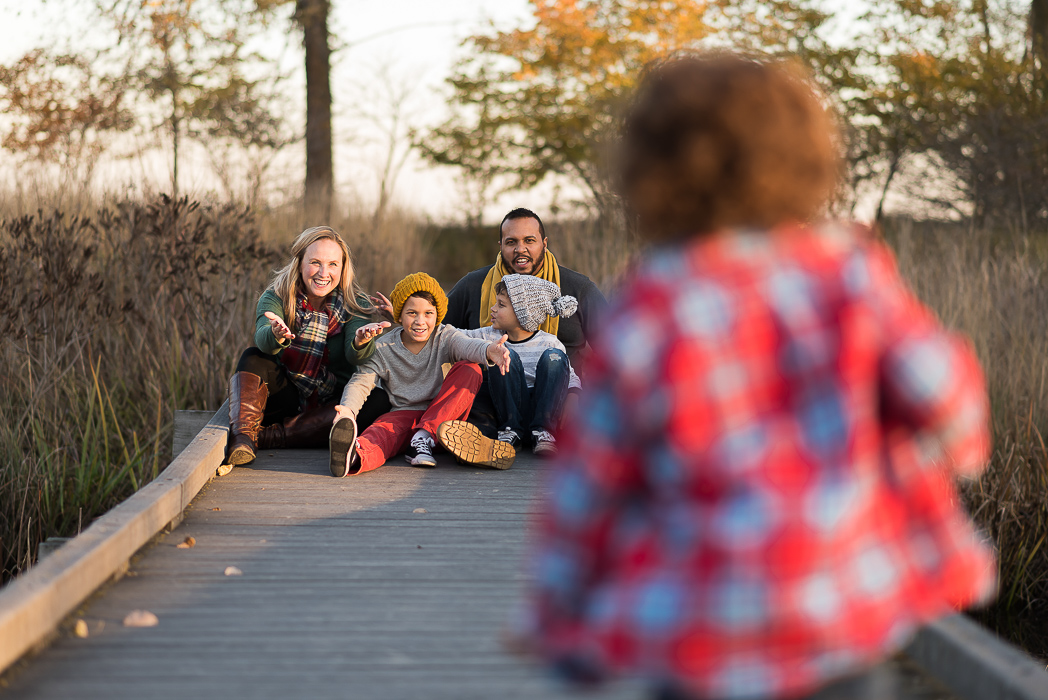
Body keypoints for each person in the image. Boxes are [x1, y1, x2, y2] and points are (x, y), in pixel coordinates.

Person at [513, 53, 996, 700]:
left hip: (696, 629)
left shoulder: (651, 306)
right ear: (804, 159)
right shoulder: (849, 277)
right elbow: (949, 407)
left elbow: (589, 478)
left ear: (650, 174)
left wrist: (559, 614)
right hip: (840, 611)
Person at [223, 226, 391, 471]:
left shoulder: (356, 303)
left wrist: (360, 341)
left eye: (333, 264)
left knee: (378, 401)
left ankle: (266, 437)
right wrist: (275, 333)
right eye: (315, 262)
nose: (324, 273)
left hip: (331, 402)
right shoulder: (276, 296)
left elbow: (354, 355)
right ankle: (243, 439)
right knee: (253, 357)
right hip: (286, 396)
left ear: (343, 268)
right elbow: (262, 340)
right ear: (300, 263)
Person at [329, 272, 511, 477]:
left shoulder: (444, 336)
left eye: (428, 313)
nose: (420, 321)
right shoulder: (383, 347)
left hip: (444, 421)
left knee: (471, 368)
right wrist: (347, 411)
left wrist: (488, 350)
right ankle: (353, 455)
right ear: (399, 315)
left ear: (437, 315)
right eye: (412, 313)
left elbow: (467, 345)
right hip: (404, 415)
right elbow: (361, 382)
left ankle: (425, 438)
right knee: (381, 431)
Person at [444, 208, 607, 436]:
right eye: (511, 242)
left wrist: (581, 396)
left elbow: (614, 347)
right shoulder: (473, 285)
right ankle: (480, 437)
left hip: (562, 406)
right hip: (491, 406)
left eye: (529, 240)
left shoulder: (578, 288)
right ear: (500, 245)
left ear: (544, 243)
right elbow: (438, 331)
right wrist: (406, 314)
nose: (520, 249)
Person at [439, 273, 582, 464]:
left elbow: (570, 376)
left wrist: (573, 396)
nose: (493, 308)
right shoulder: (490, 336)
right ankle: (510, 432)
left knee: (554, 358)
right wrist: (414, 320)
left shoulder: (549, 342)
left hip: (543, 408)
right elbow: (454, 336)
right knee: (502, 354)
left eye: (501, 305)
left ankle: (544, 432)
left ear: (523, 313)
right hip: (510, 410)